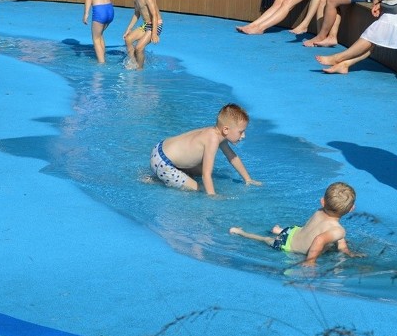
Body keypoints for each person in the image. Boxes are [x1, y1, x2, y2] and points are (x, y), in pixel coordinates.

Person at [229, 182, 363, 266]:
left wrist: (346, 251)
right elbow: (319, 239)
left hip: (291, 231)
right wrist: (310, 261)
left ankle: (278, 230)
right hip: (287, 246)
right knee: (265, 239)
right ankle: (239, 232)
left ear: (322, 202)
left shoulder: (320, 211)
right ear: (351, 209)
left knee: (305, 232)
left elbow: (336, 237)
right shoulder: (338, 230)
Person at [150, 103, 261, 195]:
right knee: (199, 188)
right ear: (226, 129)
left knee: (199, 172)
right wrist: (212, 196)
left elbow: (232, 157)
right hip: (164, 164)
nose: (243, 136)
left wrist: (248, 179)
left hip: (161, 148)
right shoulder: (212, 140)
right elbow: (206, 175)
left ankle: (164, 175)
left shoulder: (216, 133)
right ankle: (158, 180)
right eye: (241, 132)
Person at [122, 0, 163, 69]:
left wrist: (154, 33)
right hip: (146, 25)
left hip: (155, 24)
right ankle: (133, 61)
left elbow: (154, 15)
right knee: (128, 39)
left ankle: (140, 68)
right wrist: (129, 28)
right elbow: (136, 14)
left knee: (139, 47)